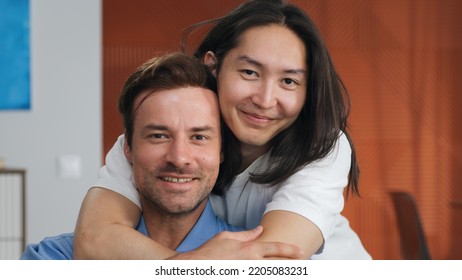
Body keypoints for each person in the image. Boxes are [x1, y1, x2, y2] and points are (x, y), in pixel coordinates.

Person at [74, 0, 371, 259]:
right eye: (249, 72)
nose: (265, 100)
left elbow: (269, 263)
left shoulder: (322, 147)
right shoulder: (158, 141)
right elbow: (92, 241)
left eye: (289, 81)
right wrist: (183, 267)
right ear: (213, 67)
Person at [21, 52, 301, 260]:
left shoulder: (258, 261)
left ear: (222, 151)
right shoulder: (53, 258)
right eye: (158, 135)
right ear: (127, 147)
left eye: (199, 137)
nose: (179, 158)